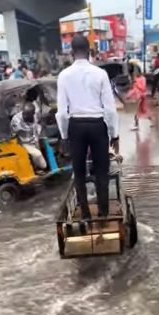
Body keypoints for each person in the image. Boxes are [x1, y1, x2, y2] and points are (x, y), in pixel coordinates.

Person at [56, 35, 119, 222]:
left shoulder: (64, 75)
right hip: (97, 125)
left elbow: (61, 111)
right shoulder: (100, 74)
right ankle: (104, 213)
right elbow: (109, 108)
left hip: (76, 126)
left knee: (79, 172)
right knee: (102, 171)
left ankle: (84, 214)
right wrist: (114, 134)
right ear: (90, 51)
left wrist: (65, 136)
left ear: (71, 52)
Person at [11, 102, 47, 171]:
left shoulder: (35, 116)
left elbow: (37, 124)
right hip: (24, 143)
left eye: (27, 115)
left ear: (33, 113)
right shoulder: (16, 121)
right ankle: (43, 168)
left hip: (34, 139)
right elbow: (13, 135)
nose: (25, 116)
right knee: (38, 155)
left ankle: (37, 169)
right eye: (24, 114)